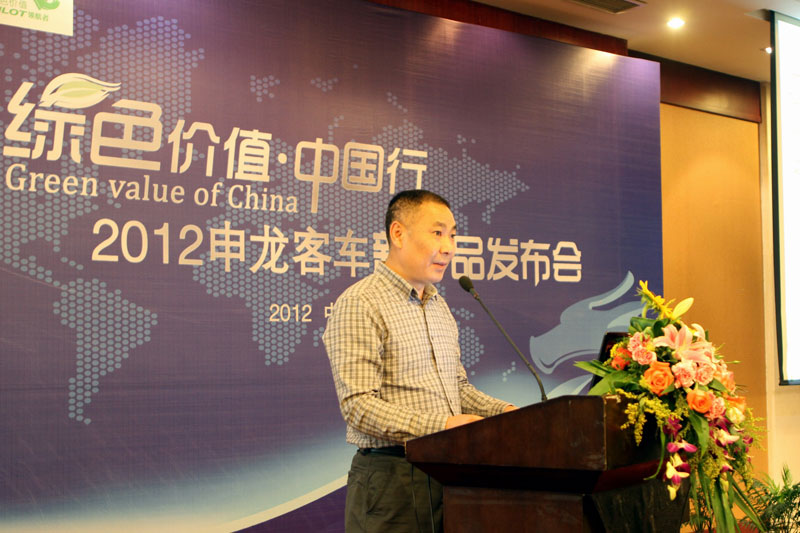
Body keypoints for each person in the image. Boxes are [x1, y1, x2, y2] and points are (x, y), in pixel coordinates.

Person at [323, 189, 516, 533]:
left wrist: (507, 414)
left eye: (453, 235)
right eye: (437, 233)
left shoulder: (438, 305)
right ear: (398, 234)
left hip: (449, 474)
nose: (449, 247)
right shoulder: (361, 303)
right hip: (391, 479)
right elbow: (358, 406)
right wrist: (443, 427)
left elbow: (457, 389)